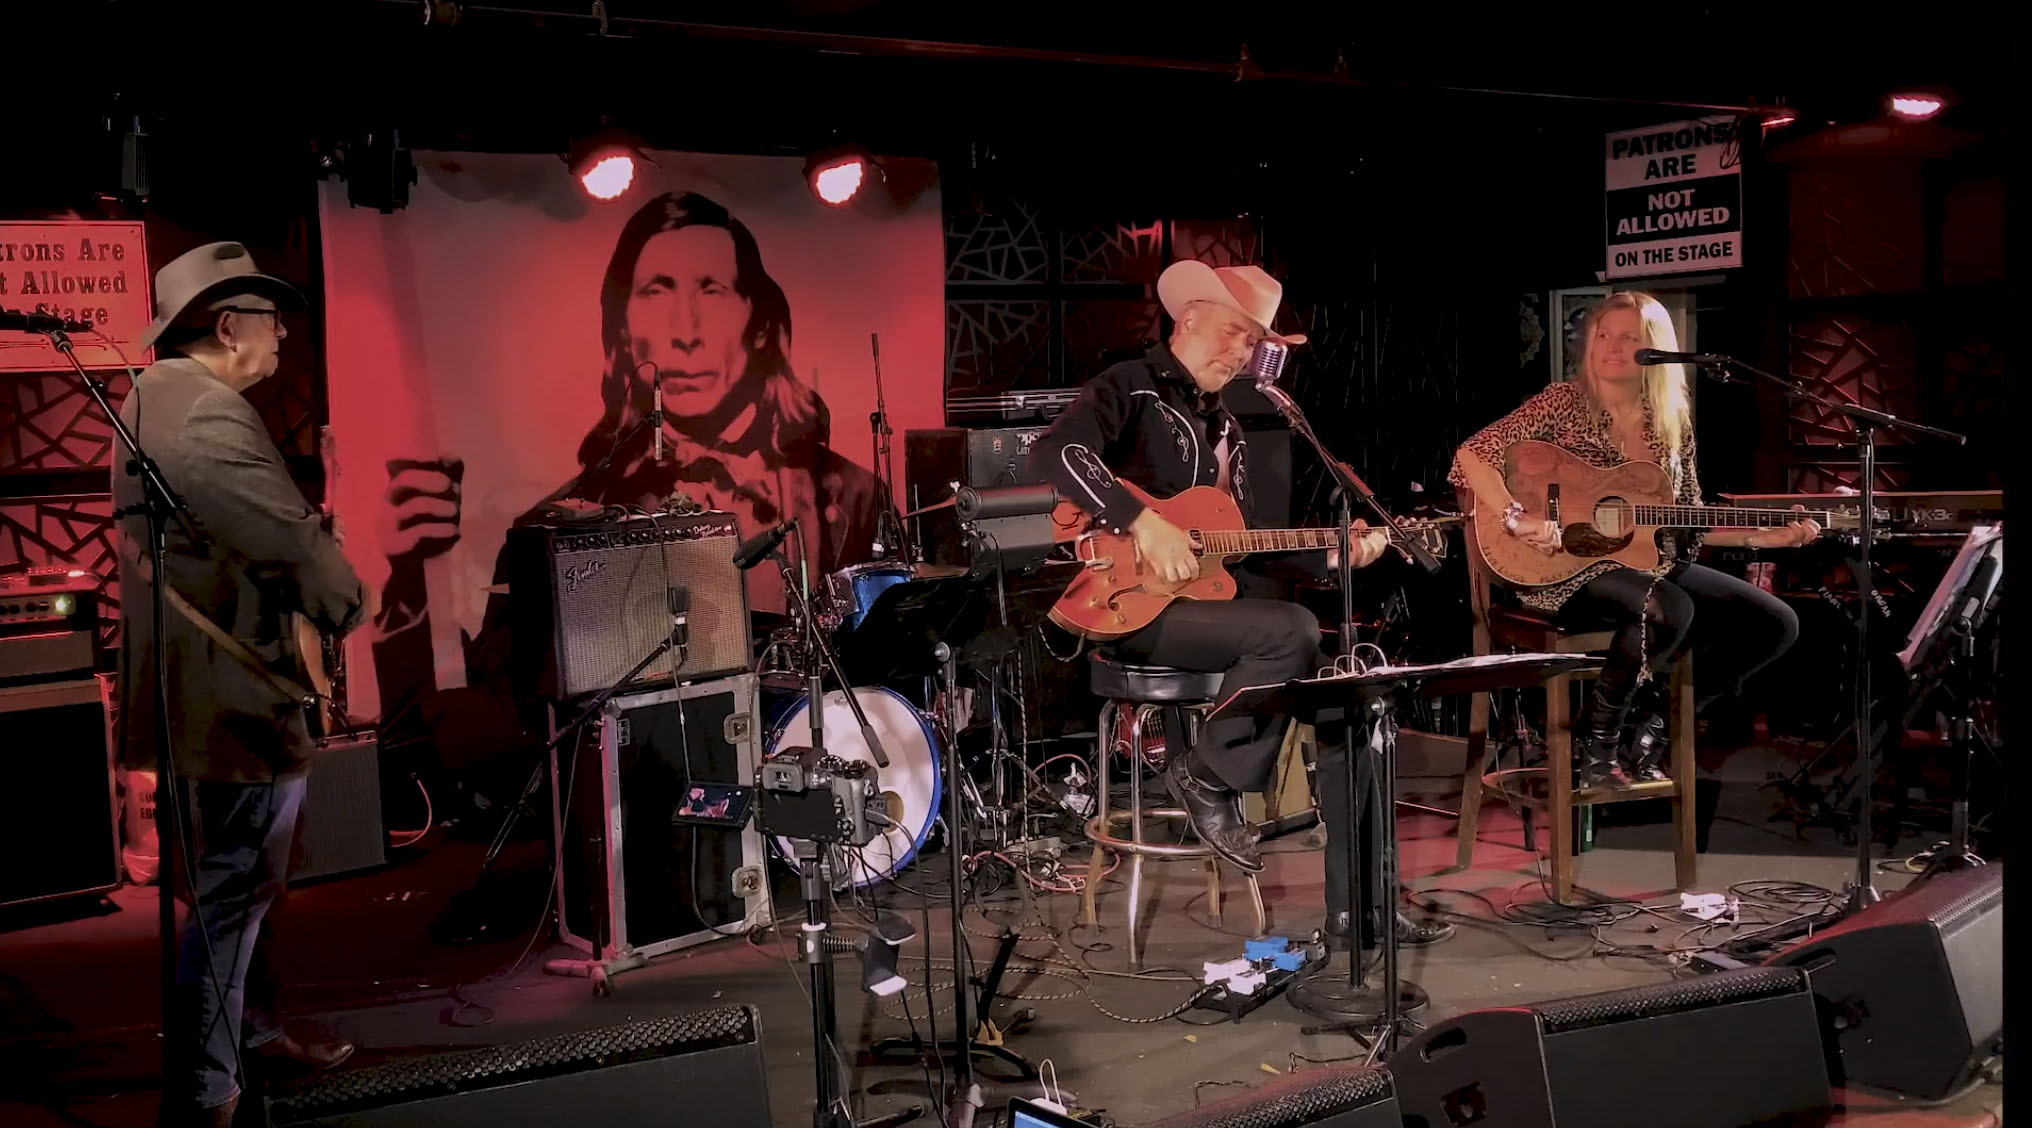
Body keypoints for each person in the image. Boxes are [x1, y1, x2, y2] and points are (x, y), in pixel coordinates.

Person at [1031, 259, 1452, 948]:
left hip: (1206, 610)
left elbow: (1246, 546)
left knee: (1361, 693)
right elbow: (1056, 453)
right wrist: (1143, 521)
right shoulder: (1129, 387)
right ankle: (1206, 775)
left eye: (1253, 340)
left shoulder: (1229, 427)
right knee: (1289, 627)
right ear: (1188, 317)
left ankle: (1360, 911)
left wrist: (1335, 554)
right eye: (1232, 332)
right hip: (1129, 613)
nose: (1242, 351)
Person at [370, 191, 887, 748]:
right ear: (623, 333)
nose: (686, 331)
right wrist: (409, 587)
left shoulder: (854, 497)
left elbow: (887, 662)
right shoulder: (557, 526)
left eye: (712, 291)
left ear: (757, 320)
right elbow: (481, 718)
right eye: (656, 291)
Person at [116, 243, 368, 1126]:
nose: (283, 337)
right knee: (230, 901)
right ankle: (209, 1093)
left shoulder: (151, 399)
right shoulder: (210, 415)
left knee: (240, 896)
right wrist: (345, 599)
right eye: (271, 320)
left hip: (196, 701)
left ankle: (249, 1038)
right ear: (227, 327)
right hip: (233, 705)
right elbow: (294, 550)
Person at [1450, 290, 1811, 787]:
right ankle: (1595, 751)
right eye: (1604, 335)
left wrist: (1763, 539)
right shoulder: (1563, 402)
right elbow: (1471, 455)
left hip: (1647, 563)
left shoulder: (1671, 422)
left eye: (1629, 338)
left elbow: (1685, 515)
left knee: (1776, 622)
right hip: (1563, 566)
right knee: (1669, 608)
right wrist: (1515, 517)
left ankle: (1653, 723)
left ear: (1655, 350)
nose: (1613, 347)